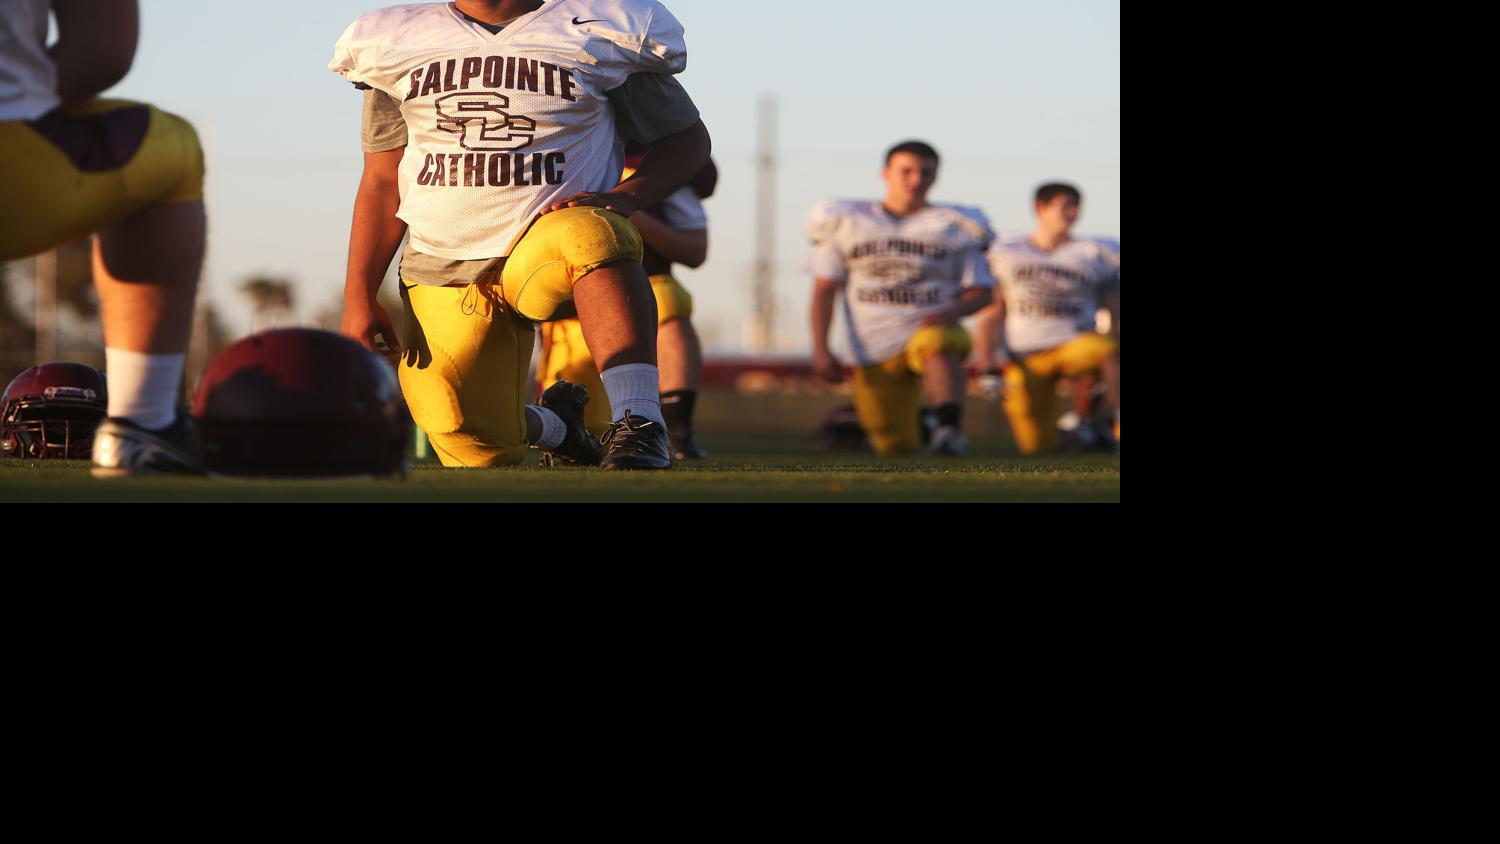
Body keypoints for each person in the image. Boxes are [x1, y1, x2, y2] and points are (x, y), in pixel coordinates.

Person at [331, 0, 711, 470]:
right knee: (467, 435)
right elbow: (382, 180)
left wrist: (628, 198)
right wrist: (358, 298)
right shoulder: (392, 39)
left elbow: (688, 140)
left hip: (549, 238)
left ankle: (640, 420)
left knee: (595, 236)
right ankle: (559, 429)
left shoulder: (600, 26)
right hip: (443, 260)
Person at [0, 0, 208, 476]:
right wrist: (23, 90)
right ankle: (144, 422)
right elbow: (102, 54)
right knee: (169, 148)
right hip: (15, 166)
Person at [806, 140, 994, 456]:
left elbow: (983, 293)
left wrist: (952, 311)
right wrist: (821, 349)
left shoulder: (956, 224)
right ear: (885, 173)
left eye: (926, 172)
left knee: (936, 342)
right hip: (872, 345)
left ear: (936, 177)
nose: (916, 179)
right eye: (906, 171)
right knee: (894, 445)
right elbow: (825, 289)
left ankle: (948, 429)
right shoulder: (846, 219)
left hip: (930, 328)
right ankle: (927, 426)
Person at [539, 147, 714, 459]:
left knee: (667, 298)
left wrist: (628, 211)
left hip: (638, 289)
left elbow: (695, 249)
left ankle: (676, 428)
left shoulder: (652, 165)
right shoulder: (553, 149)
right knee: (572, 432)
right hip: (568, 306)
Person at [975, 183, 1120, 454]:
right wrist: (987, 361)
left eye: (1077, 207)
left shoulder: (1096, 252)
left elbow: (1115, 311)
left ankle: (1105, 422)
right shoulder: (1005, 251)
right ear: (1041, 207)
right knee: (1036, 447)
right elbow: (993, 311)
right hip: (1024, 356)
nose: (1074, 213)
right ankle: (1079, 432)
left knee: (1106, 350)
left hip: (1073, 345)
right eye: (1066, 205)